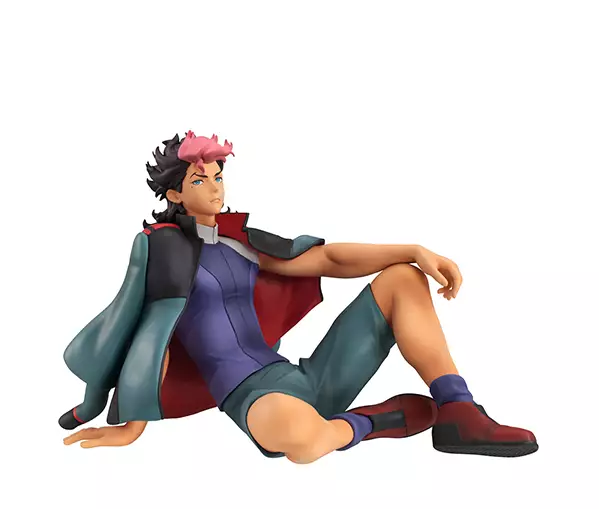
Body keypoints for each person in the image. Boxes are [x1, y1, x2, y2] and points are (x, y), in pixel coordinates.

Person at [61, 131, 538, 461]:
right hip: (255, 399)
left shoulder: (238, 241)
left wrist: (413, 250)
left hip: (306, 377)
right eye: (199, 181)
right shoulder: (163, 250)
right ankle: (371, 423)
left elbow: (326, 259)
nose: (214, 188)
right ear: (174, 195)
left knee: (402, 278)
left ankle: (457, 410)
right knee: (304, 443)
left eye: (218, 176)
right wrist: (131, 420)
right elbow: (148, 330)